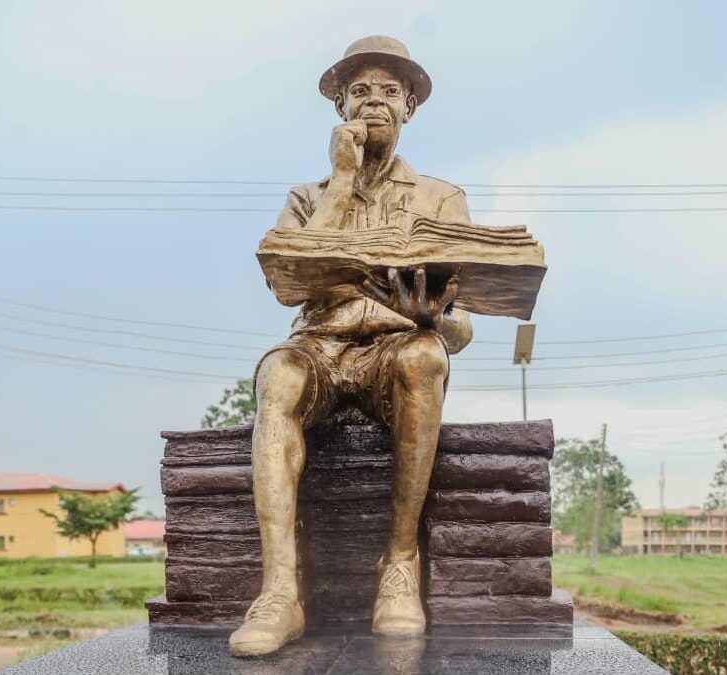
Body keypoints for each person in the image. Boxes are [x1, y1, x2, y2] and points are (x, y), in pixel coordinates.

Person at [229, 36, 474, 657]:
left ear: (410, 107)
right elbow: (286, 287)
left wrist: (432, 321)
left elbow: (465, 329)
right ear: (339, 106)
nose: (374, 103)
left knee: (426, 355)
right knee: (277, 376)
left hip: (394, 353)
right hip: (321, 348)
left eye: (390, 92)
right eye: (359, 91)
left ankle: (399, 567)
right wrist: (341, 179)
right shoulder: (306, 197)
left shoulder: (440, 198)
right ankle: (280, 591)